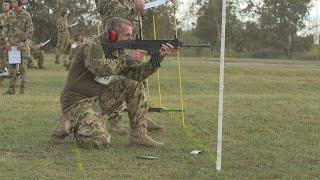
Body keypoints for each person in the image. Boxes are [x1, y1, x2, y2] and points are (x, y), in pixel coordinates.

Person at [51, 17, 176, 148]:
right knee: (99, 140)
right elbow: (101, 69)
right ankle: (68, 122)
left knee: (133, 83)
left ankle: (139, 136)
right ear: (112, 34)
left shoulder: (119, 50)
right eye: (126, 35)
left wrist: (158, 58)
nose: (130, 38)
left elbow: (138, 75)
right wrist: (126, 59)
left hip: (98, 98)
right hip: (76, 101)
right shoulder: (92, 45)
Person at [95, 0, 164, 135]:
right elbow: (112, 15)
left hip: (133, 41)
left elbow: (134, 17)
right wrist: (135, 8)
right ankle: (115, 121)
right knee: (117, 79)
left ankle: (141, 116)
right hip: (116, 43)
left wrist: (141, 12)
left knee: (140, 79)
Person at [5, 0, 33, 94]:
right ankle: (11, 90)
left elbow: (30, 31)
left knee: (23, 69)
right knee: (12, 69)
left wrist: (23, 42)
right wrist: (7, 41)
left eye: (14, 1)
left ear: (20, 3)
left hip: (22, 47)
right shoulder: (10, 14)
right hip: (12, 47)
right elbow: (5, 29)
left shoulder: (26, 15)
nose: (12, 3)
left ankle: (22, 91)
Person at [0, 0, 12, 87]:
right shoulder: (1, 16)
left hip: (11, 44)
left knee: (12, 63)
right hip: (2, 43)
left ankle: (14, 83)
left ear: (10, 6)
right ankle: (1, 81)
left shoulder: (13, 15)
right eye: (3, 5)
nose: (4, 6)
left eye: (5, 5)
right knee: (2, 62)